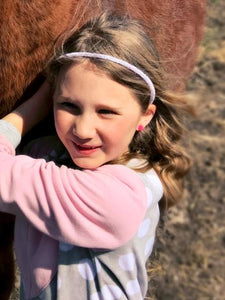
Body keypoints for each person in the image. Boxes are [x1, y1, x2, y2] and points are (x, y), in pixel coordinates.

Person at [0, 13, 191, 300]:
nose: (83, 129)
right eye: (69, 105)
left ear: (145, 115)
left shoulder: (114, 197)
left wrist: (30, 110)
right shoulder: (46, 153)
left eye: (106, 111)